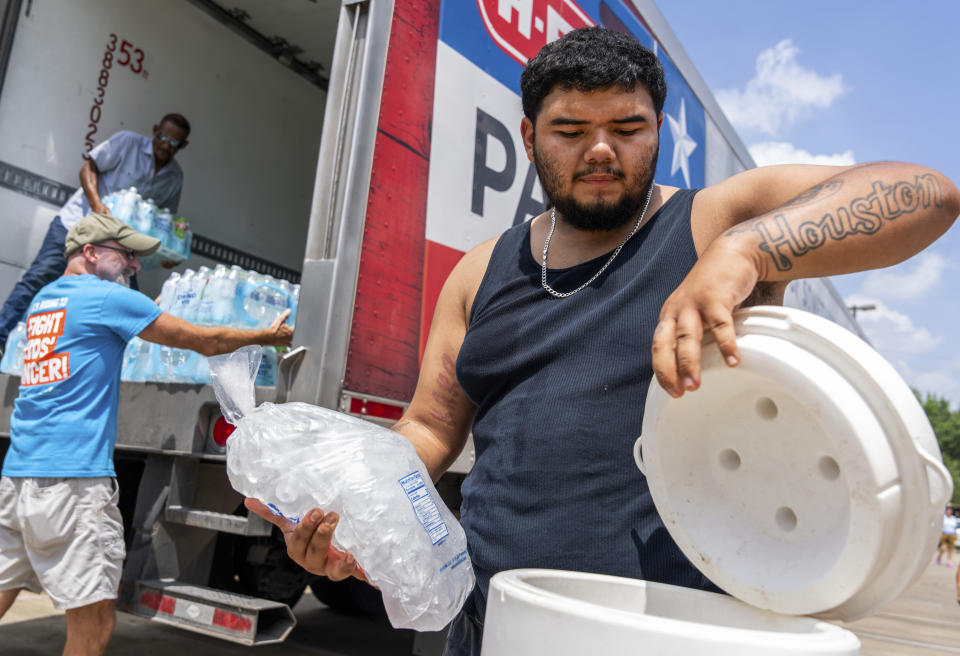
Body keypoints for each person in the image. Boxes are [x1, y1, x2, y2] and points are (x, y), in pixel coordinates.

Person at [247, 27, 960, 655]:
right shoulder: (479, 273)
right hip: (488, 622)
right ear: (529, 138)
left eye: (627, 127)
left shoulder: (710, 223)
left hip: (667, 630)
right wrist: (351, 512)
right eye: (568, 131)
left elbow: (927, 194)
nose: (599, 150)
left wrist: (750, 249)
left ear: (658, 129)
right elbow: (430, 429)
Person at [0, 213, 292, 656]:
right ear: (91, 253)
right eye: (127, 255)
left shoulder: (46, 300)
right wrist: (269, 335)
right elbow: (206, 341)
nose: (134, 266)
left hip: (18, 478)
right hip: (71, 485)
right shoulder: (105, 298)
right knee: (93, 621)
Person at [0, 113, 191, 353]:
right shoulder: (126, 142)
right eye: (163, 137)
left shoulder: (175, 177)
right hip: (74, 227)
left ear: (182, 145)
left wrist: (162, 255)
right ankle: (1, 338)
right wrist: (97, 205)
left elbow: (162, 220)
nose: (166, 145)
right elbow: (88, 169)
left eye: (174, 143)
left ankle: (126, 362)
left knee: (128, 300)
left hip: (114, 248)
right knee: (39, 278)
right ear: (155, 130)